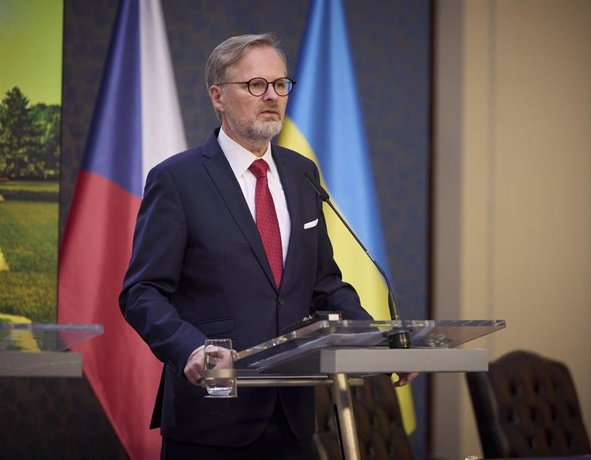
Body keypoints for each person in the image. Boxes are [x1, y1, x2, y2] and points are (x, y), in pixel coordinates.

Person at [119, 33, 415, 459]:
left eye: (280, 85)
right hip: (211, 421)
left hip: (293, 418)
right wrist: (188, 348)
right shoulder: (178, 180)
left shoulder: (301, 173)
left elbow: (325, 285)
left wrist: (380, 343)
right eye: (256, 85)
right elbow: (141, 292)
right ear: (218, 96)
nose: (272, 96)